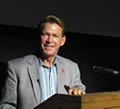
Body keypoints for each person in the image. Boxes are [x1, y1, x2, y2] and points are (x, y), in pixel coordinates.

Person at [0, 15, 86, 109]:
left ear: (62, 41)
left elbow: (79, 90)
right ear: (39, 37)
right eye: (46, 34)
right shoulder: (16, 67)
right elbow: (6, 105)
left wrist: (78, 92)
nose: (49, 40)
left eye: (55, 36)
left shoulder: (72, 68)